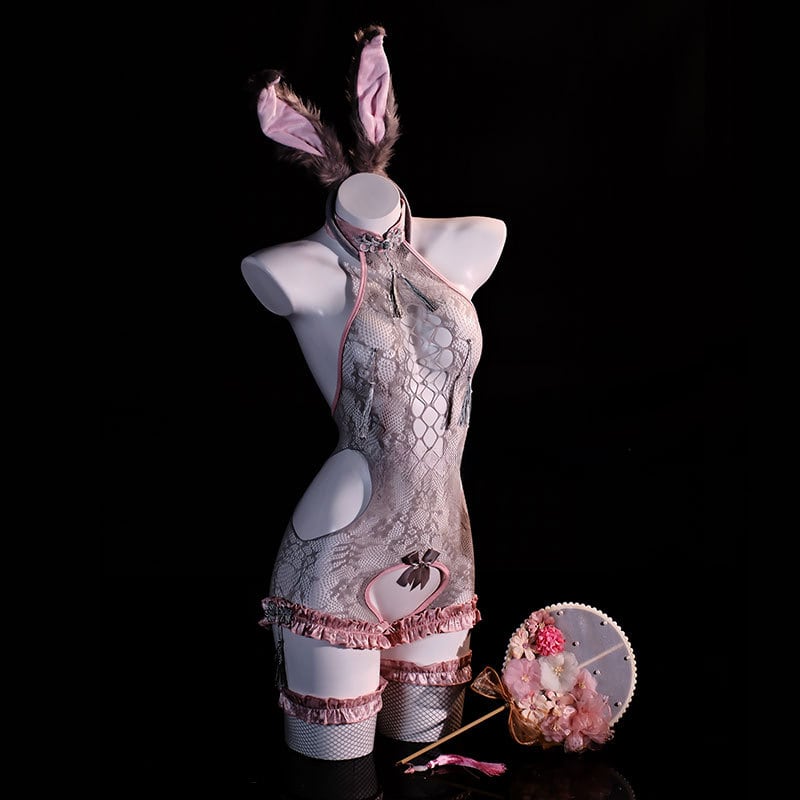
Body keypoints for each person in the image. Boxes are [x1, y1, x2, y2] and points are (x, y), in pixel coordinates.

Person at [243, 27, 506, 760]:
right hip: (340, 552)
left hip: (447, 548)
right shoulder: (295, 269)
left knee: (429, 769)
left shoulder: (469, 243)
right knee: (339, 779)